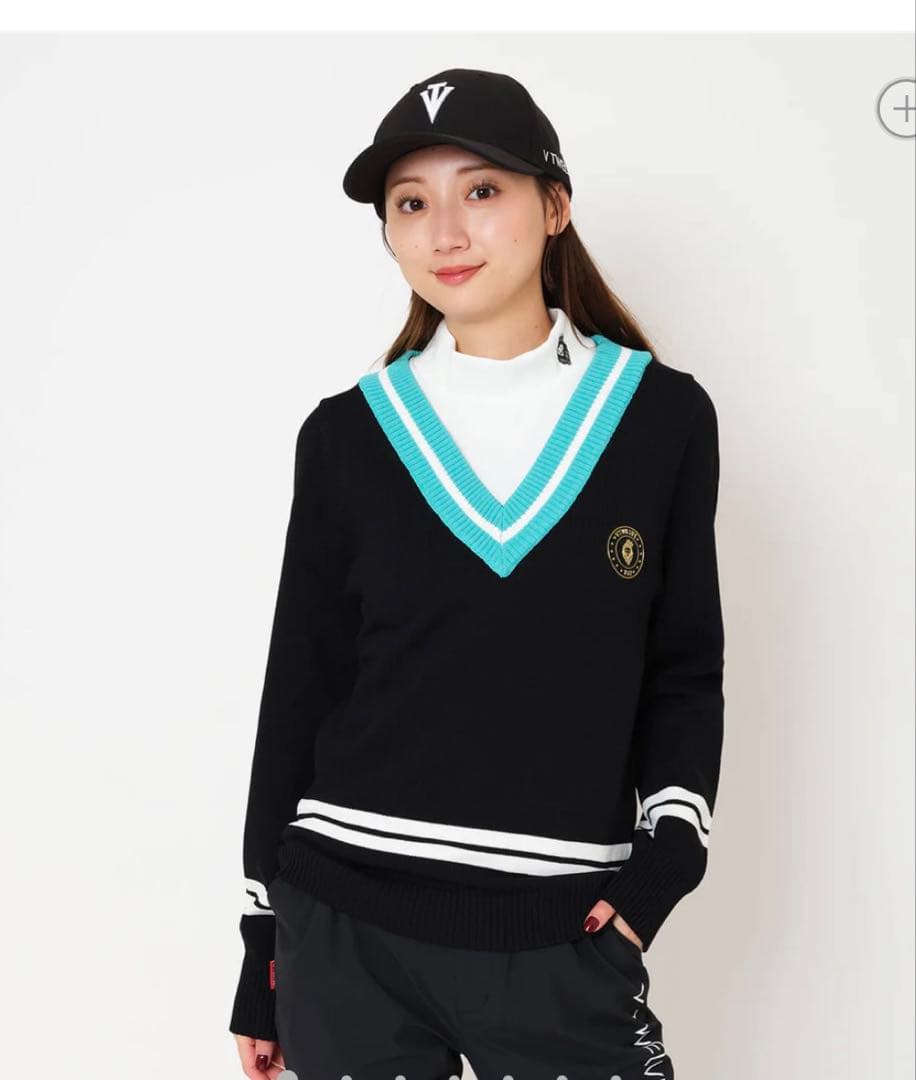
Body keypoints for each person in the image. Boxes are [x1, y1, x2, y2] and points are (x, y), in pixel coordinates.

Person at [229, 67, 725, 1080]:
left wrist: (664, 868)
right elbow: (299, 689)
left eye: (482, 190)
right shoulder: (347, 436)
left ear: (555, 205)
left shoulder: (660, 418)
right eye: (411, 204)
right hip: (343, 927)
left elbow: (683, 669)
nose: (445, 232)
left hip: (559, 933)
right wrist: (261, 946)